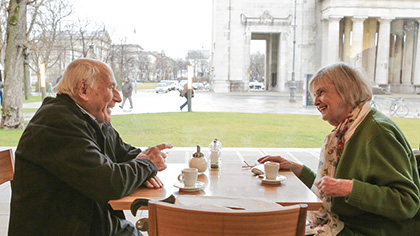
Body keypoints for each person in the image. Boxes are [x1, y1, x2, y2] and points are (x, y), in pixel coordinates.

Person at [8, 58, 173, 236]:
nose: (117, 97)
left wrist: (147, 161)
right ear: (83, 89)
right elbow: (109, 183)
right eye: (111, 87)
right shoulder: (56, 123)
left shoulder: (90, 119)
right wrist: (147, 165)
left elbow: (124, 154)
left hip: (92, 223)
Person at [258, 63, 420, 235]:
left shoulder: (378, 132)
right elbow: (333, 192)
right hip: (343, 224)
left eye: (321, 92)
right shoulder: (347, 131)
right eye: (314, 95)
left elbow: (407, 202)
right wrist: (296, 169)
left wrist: (349, 188)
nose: (315, 101)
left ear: (346, 90)